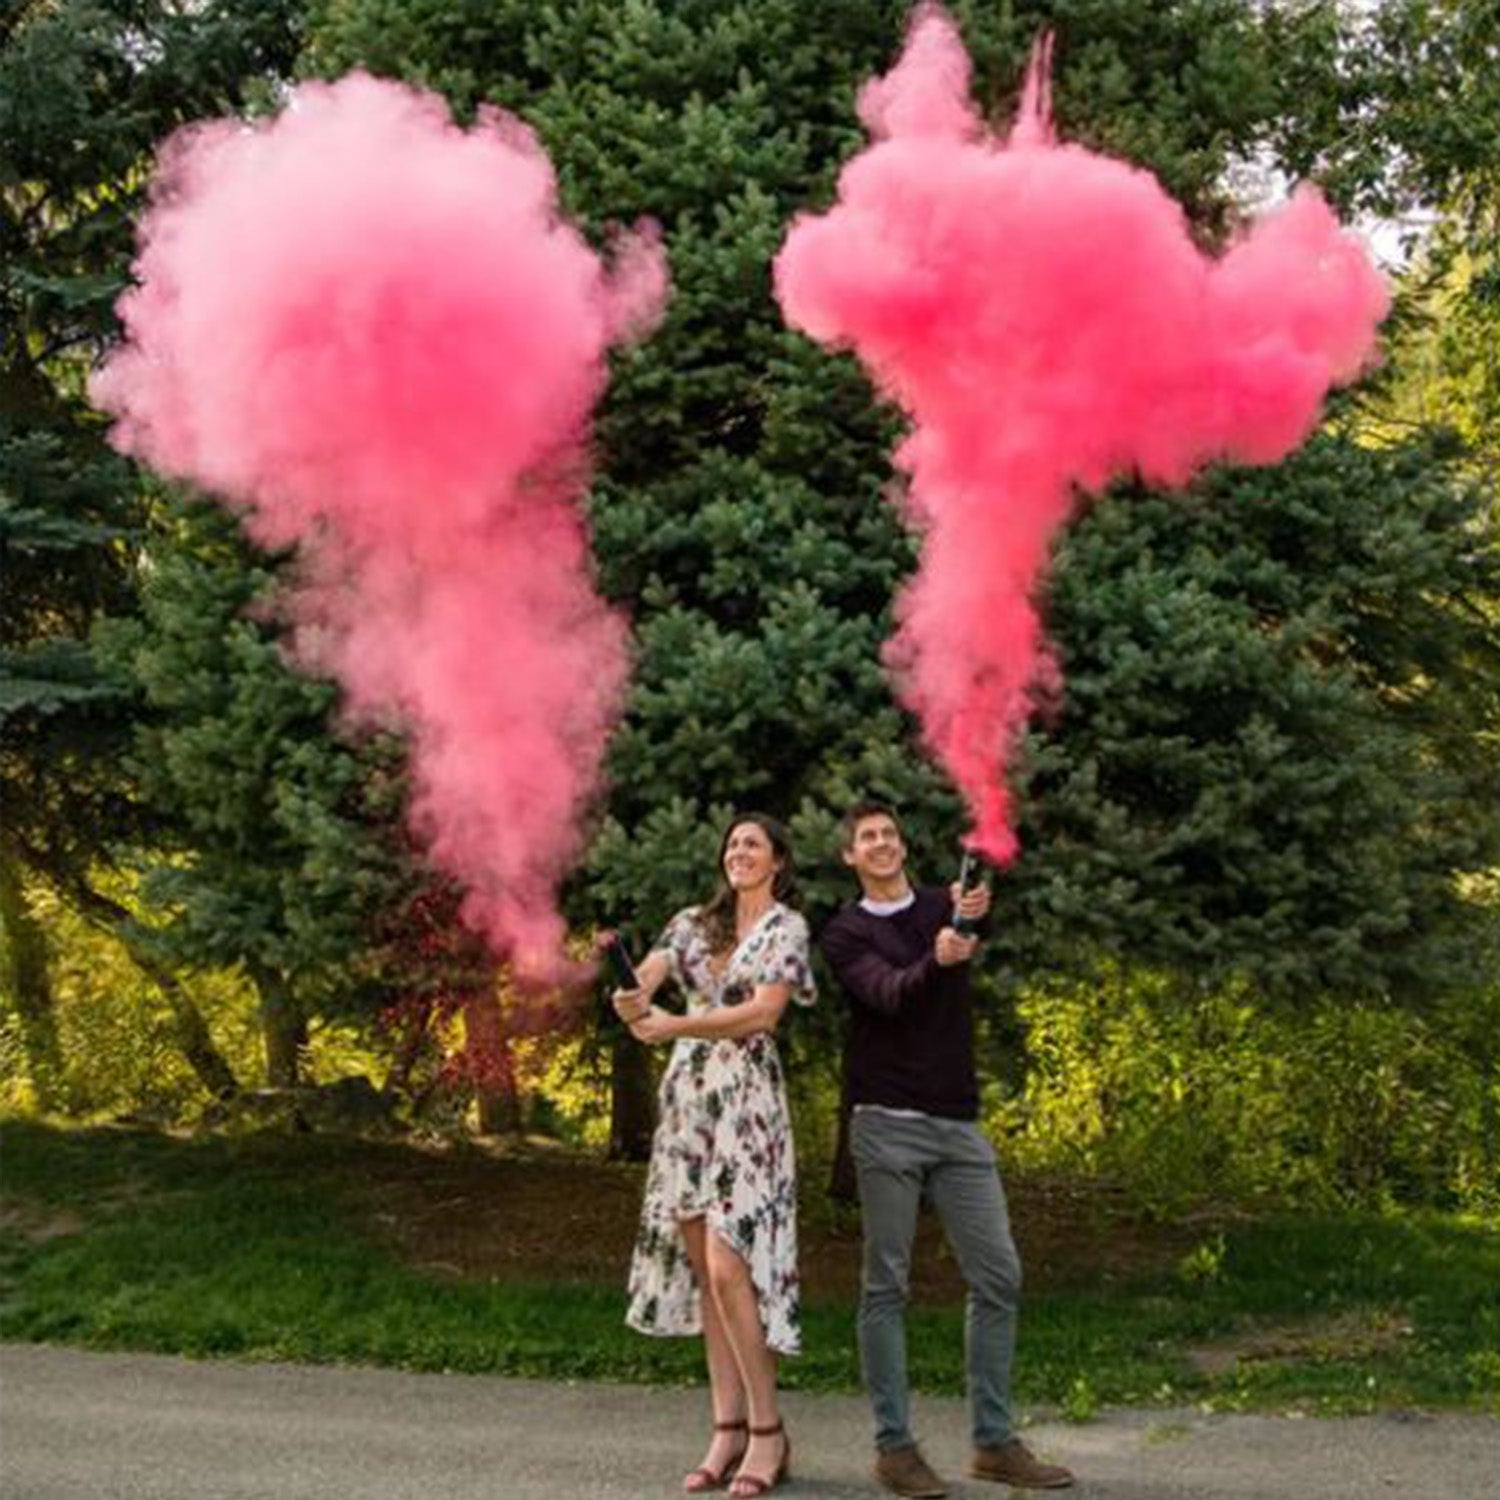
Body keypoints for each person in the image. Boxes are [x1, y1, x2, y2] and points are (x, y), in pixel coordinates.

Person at [821, 800, 1075, 1497]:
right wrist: (938, 956)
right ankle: (894, 1449)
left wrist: (970, 915)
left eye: (889, 834)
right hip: (886, 1125)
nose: (880, 843)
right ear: (850, 856)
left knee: (999, 1274)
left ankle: (993, 1444)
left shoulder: (942, 902)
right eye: (866, 837)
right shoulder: (843, 932)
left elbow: (965, 925)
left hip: (958, 1125)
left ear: (903, 845)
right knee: (886, 1286)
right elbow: (889, 993)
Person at [613, 812, 815, 1499]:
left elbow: (762, 1014)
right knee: (705, 1269)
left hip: (748, 1105)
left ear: (777, 862)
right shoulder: (693, 921)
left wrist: (675, 1024)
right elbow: (650, 972)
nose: (739, 852)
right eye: (732, 844)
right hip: (691, 1105)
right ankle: (726, 1428)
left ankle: (768, 1432)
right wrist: (632, 993)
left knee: (733, 1265)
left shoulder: (787, 928)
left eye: (752, 844)